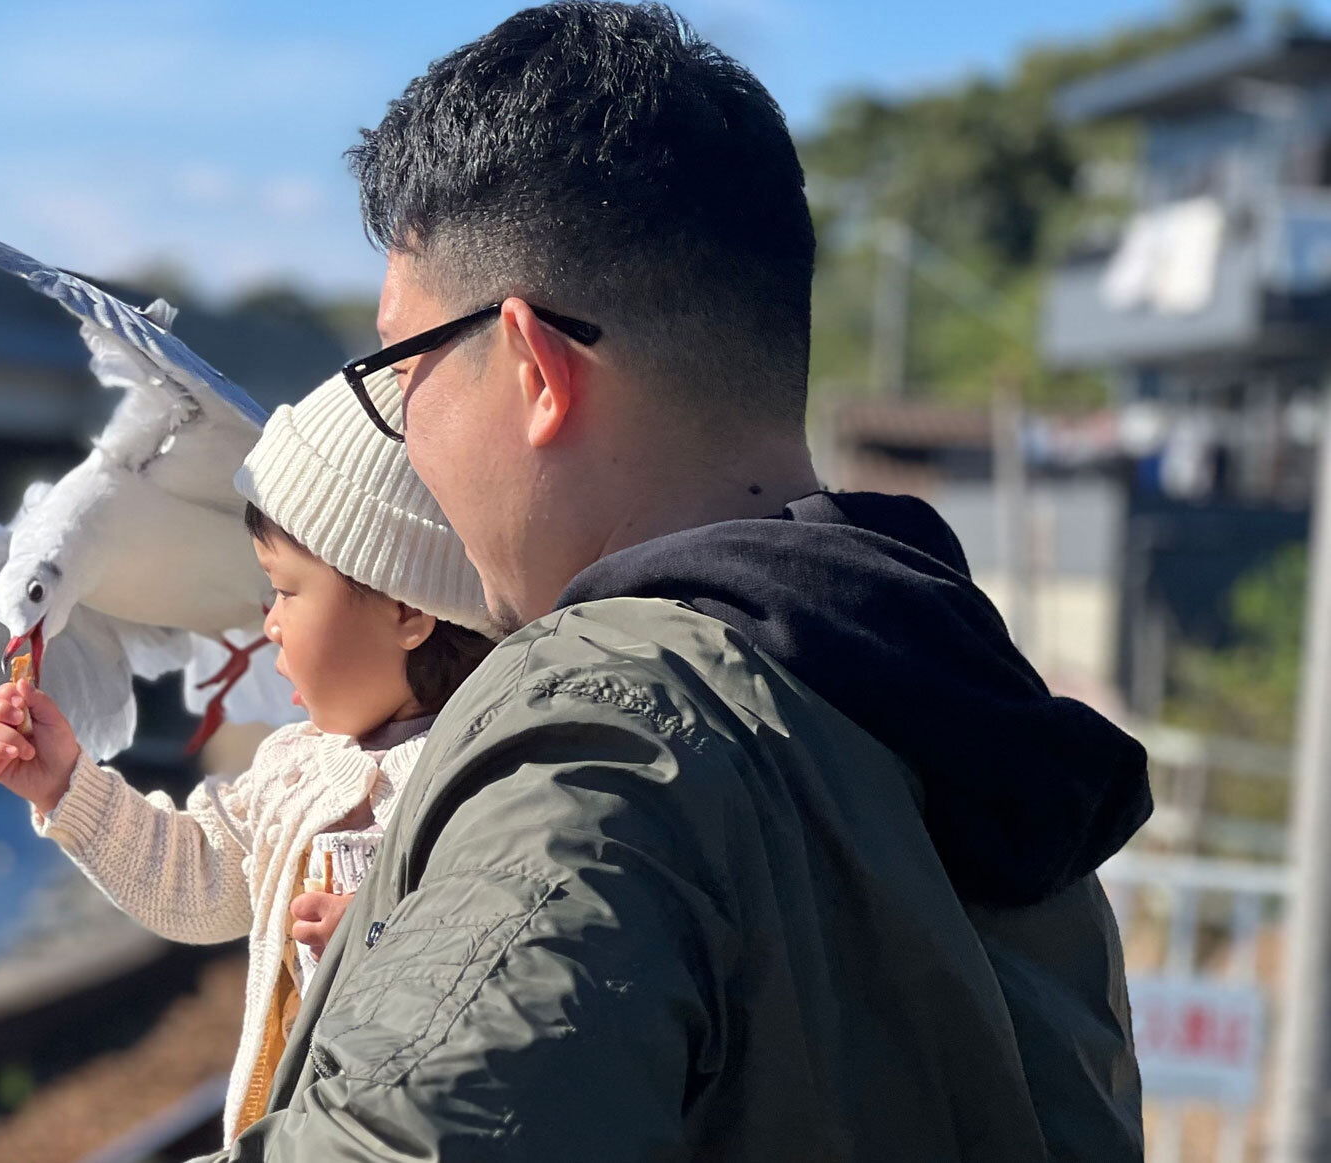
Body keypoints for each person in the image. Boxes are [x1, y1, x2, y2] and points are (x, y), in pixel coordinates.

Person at [203, 3, 1152, 1160]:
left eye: (403, 369)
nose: (405, 430)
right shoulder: (947, 696)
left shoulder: (604, 726)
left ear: (536, 367)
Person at [0, 369, 497, 1145]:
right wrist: (67, 786)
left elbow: (509, 958)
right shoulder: (296, 762)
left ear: (407, 610)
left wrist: (383, 939)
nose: (269, 623)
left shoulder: (483, 773)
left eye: (287, 591)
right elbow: (198, 876)